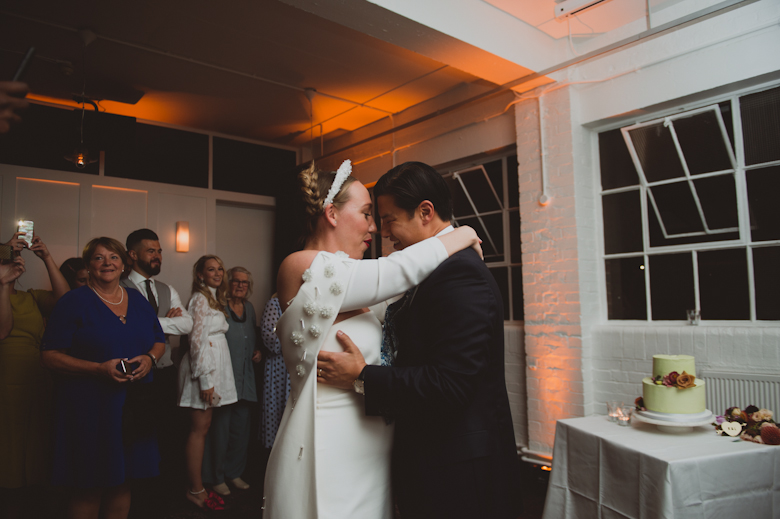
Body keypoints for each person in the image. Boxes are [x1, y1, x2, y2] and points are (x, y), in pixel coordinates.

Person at [262, 159, 481, 519]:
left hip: (374, 450)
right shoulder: (300, 265)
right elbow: (397, 271)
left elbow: (402, 290)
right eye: (365, 213)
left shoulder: (358, 282)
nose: (374, 226)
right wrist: (461, 233)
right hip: (328, 444)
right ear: (331, 213)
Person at [317, 161, 523, 519]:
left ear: (425, 212)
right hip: (434, 460)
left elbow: (450, 384)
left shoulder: (460, 274)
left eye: (389, 219)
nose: (383, 232)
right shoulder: (430, 268)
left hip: (458, 471)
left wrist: (361, 376)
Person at [40, 237, 165, 519]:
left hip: (135, 405)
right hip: (90, 407)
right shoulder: (73, 302)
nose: (107, 263)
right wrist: (97, 369)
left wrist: (150, 358)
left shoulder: (138, 300)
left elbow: (159, 341)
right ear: (89, 265)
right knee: (90, 485)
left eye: (113, 257)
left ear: (124, 264)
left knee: (124, 480)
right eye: (98, 258)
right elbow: (48, 356)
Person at [0, 233, 69, 519]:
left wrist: (47, 258)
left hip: (39, 377)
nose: (10, 264)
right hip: (7, 380)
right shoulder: (5, 292)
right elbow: (2, 330)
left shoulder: (30, 297)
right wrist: (3, 285)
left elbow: (66, 303)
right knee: (10, 447)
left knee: (37, 446)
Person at [120, 229, 193, 483]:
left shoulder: (166, 288)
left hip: (165, 373)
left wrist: (147, 323)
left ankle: (160, 492)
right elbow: (122, 327)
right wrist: (162, 322)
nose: (158, 256)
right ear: (132, 254)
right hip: (133, 375)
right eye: (151, 251)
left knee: (166, 432)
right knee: (135, 434)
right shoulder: (119, 287)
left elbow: (187, 325)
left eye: (159, 251)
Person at [178, 255, 237, 510]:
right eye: (210, 269)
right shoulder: (200, 299)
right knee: (198, 429)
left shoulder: (214, 297)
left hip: (216, 365)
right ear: (200, 275)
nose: (217, 273)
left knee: (205, 426)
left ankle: (198, 484)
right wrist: (205, 381)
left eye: (220, 269)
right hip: (204, 368)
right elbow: (196, 340)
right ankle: (195, 489)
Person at [202, 266, 261, 496]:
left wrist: (258, 352)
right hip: (224, 380)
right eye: (236, 281)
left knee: (240, 431)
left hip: (245, 380)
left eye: (244, 282)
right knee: (220, 431)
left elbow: (252, 339)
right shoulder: (218, 307)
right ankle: (216, 477)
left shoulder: (250, 308)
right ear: (228, 283)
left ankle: (234, 473)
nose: (240, 285)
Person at [258, 294, 289, 451]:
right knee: (277, 409)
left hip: (298, 363)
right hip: (279, 365)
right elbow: (269, 336)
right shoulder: (275, 303)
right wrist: (293, 342)